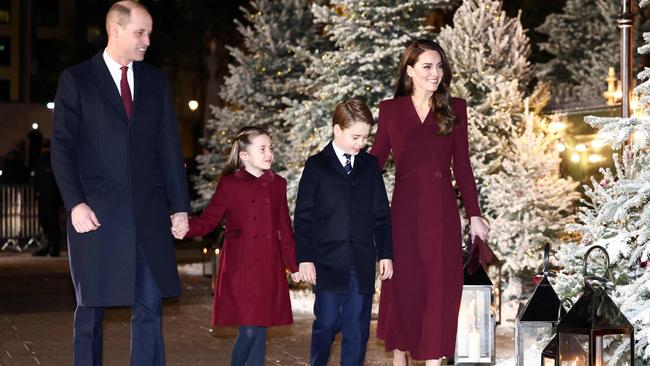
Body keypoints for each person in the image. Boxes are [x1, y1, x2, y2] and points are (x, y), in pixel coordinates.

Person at [50, 2, 190, 365]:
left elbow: (169, 150)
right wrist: (75, 203)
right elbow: (61, 150)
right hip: (95, 217)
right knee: (90, 313)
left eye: (149, 33)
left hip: (147, 216)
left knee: (149, 308)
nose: (147, 41)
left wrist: (180, 208)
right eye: (140, 32)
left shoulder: (155, 81)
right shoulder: (77, 80)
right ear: (115, 30)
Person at [371, 40, 490, 366]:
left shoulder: (456, 108)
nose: (435, 73)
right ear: (409, 70)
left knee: (440, 290)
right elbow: (374, 164)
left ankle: (435, 362)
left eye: (439, 66)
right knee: (403, 290)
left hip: (441, 215)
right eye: (427, 66)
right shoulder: (390, 110)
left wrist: (475, 215)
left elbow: (462, 166)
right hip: (403, 217)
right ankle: (400, 361)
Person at [178, 126, 300, 366]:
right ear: (244, 155)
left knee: (261, 331)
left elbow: (285, 228)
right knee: (250, 331)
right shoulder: (230, 184)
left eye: (270, 148)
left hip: (268, 265)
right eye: (262, 149)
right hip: (240, 266)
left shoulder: (278, 184)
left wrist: (293, 265)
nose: (269, 154)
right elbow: (210, 219)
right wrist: (186, 228)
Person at [295, 99, 394, 366]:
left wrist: (385, 253)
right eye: (355, 136)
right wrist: (304, 258)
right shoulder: (316, 166)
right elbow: (303, 218)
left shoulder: (370, 165)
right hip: (326, 261)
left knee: (357, 329)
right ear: (336, 130)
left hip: (361, 263)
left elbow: (381, 214)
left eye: (365, 137)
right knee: (326, 322)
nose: (361, 143)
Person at [32, 140, 63, 257]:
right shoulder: (39, 162)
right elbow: (35, 180)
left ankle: (54, 247)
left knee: (53, 223)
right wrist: (37, 193)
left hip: (52, 197)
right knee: (44, 222)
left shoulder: (53, 161)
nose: (45, 150)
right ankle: (47, 245)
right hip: (42, 197)